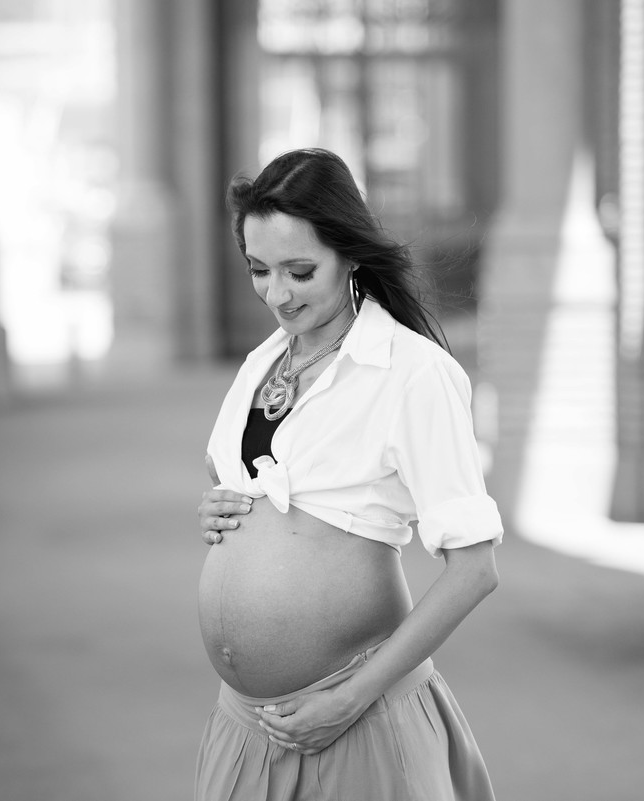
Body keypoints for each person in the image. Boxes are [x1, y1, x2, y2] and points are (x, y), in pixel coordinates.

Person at [194, 148, 503, 801]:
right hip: (243, 725)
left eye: (299, 271)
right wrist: (220, 511)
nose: (276, 293)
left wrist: (351, 698)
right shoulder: (261, 365)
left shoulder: (412, 373)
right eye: (259, 269)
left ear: (350, 253)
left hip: (356, 721)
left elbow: (475, 568)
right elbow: (252, 485)